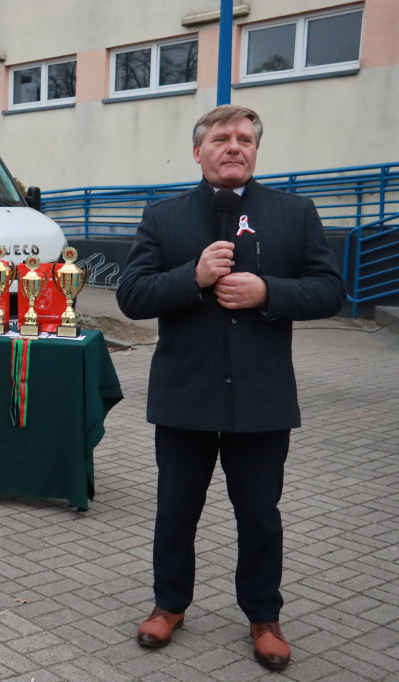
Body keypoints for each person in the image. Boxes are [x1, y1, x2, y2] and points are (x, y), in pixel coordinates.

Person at [116, 104, 346, 671]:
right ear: (199, 152)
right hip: (185, 394)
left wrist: (268, 293)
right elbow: (132, 296)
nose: (234, 146)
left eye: (245, 138)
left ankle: (263, 616)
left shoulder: (294, 213)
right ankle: (169, 605)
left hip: (262, 399)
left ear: (256, 150)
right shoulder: (164, 217)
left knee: (260, 515)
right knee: (175, 510)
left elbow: (328, 291)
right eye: (221, 138)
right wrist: (192, 278)